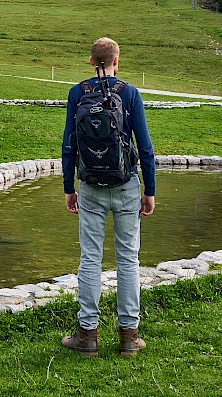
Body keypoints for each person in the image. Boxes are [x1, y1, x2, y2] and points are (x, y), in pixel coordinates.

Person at [61, 37, 156, 357]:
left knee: (90, 258)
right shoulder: (129, 93)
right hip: (126, 185)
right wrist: (150, 190)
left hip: (88, 187)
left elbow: (68, 146)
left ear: (91, 61)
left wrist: (68, 188)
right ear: (118, 60)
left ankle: (87, 336)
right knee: (128, 259)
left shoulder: (77, 93)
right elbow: (144, 147)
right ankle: (129, 337)